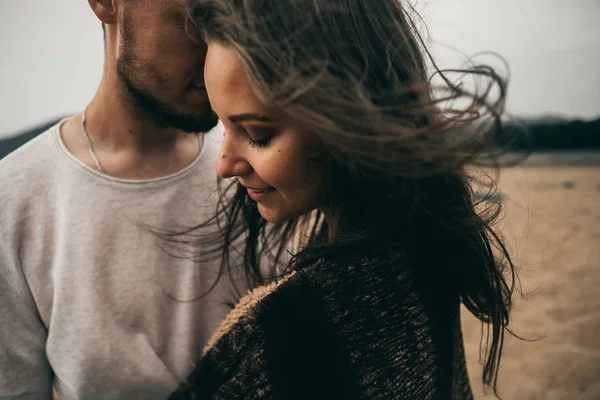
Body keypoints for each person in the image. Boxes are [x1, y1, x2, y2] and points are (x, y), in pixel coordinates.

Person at [169, 0, 519, 399]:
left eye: (257, 134)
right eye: (223, 125)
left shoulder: (294, 330)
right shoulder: (426, 251)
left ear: (349, 117)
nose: (224, 164)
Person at [0, 1, 241, 399]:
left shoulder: (264, 176)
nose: (220, 49)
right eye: (198, 20)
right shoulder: (15, 201)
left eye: (236, 25)